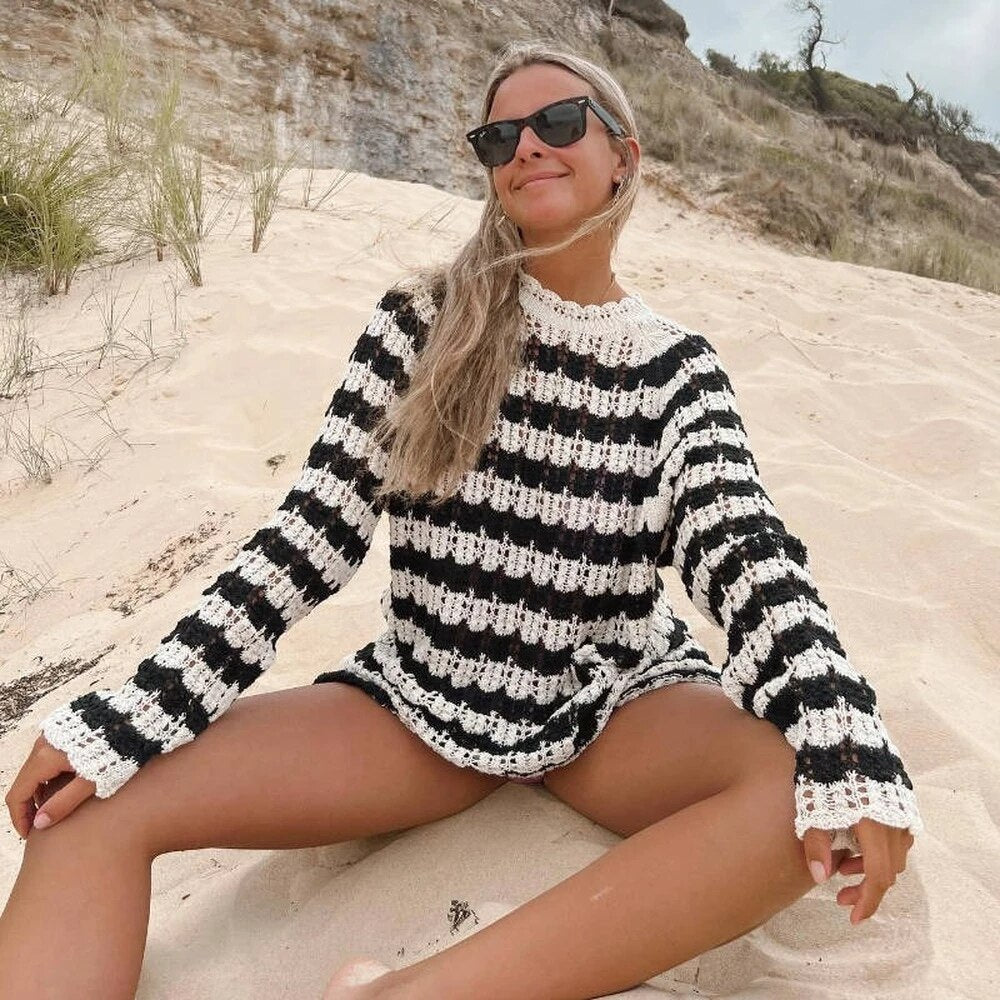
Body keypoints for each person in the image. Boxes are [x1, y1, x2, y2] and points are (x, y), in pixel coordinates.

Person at [0, 42, 922, 1000]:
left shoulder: (674, 371)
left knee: (806, 794)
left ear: (624, 157)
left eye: (559, 122)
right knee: (89, 803)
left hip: (609, 706)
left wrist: (843, 731)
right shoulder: (422, 322)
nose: (528, 147)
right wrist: (131, 711)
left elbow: (744, 550)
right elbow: (308, 537)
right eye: (499, 137)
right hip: (418, 702)